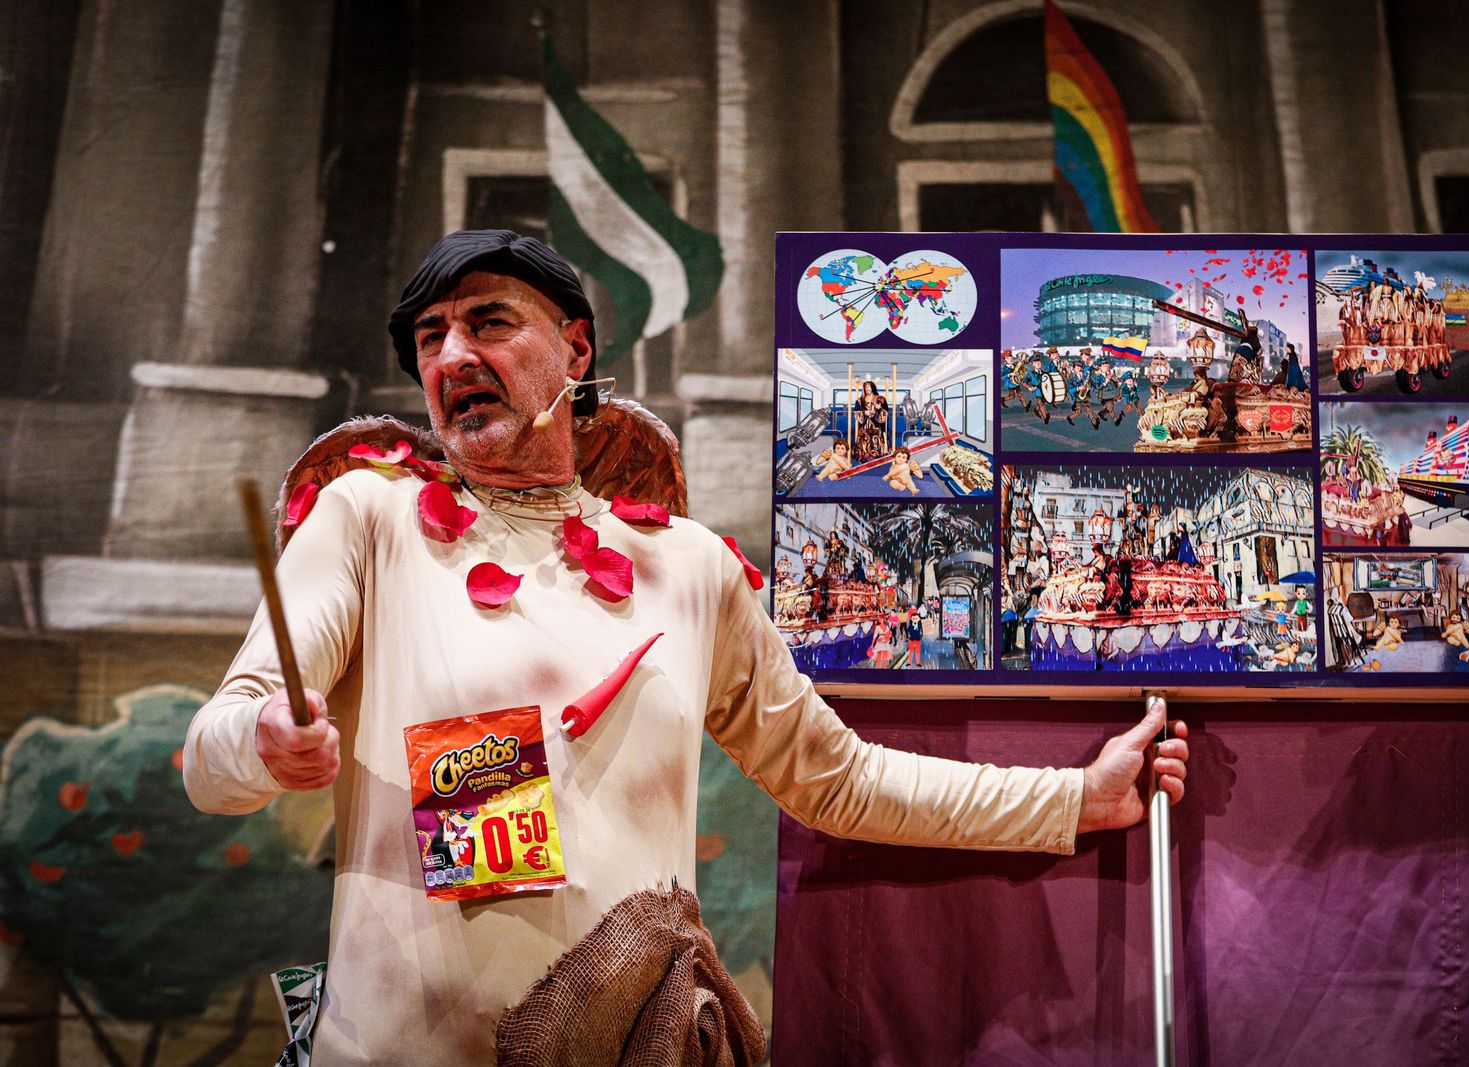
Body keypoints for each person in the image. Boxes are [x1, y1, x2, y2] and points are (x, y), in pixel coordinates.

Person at [182, 230, 1190, 1065]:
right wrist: (262, 739)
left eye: (489, 323)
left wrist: (1074, 798)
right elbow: (214, 755)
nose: (452, 358)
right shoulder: (371, 519)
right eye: (431, 338)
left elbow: (837, 780)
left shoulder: (690, 566)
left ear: (574, 351)